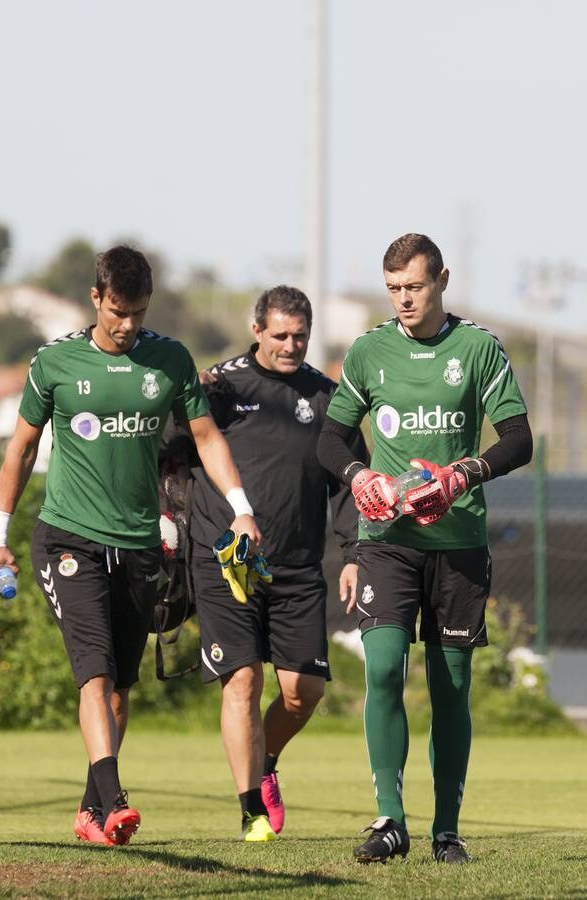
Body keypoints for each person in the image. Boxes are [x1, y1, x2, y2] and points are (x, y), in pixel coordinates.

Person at [0, 245, 261, 847]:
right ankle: (116, 800)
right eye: (118, 312)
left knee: (121, 690)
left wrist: (243, 510)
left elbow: (205, 439)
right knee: (95, 674)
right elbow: (19, 452)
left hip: (139, 545)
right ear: (97, 298)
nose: (127, 325)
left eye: (138, 312)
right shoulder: (53, 364)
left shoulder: (170, 360)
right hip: (68, 537)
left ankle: (89, 810)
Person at [317, 233, 533, 864]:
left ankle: (446, 832)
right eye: (394, 290)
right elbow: (330, 442)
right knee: (383, 668)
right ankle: (390, 820)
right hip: (386, 542)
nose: (404, 300)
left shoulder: (477, 348)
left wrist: (463, 474)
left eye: (414, 287)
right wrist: (362, 478)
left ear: (441, 279)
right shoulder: (368, 352)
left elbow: (518, 440)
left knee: (450, 685)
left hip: (459, 541)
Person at [181, 285, 367, 842]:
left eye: (300, 336)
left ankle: (266, 765)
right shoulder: (220, 386)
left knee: (302, 692)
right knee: (242, 679)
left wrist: (355, 554)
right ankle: (249, 812)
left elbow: (348, 485)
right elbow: (172, 441)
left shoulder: (327, 398)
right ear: (257, 329)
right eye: (280, 335)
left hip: (298, 569)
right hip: (226, 561)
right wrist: (184, 396)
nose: (290, 345)